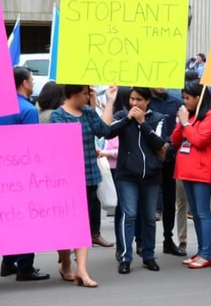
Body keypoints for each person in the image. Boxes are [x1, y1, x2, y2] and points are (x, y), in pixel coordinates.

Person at [50, 84, 118, 287]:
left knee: (83, 225)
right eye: (84, 93)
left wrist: (110, 101)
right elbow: (59, 146)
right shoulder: (58, 116)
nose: (88, 97)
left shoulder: (88, 113)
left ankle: (82, 270)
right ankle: (66, 264)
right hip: (66, 179)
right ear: (73, 94)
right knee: (66, 225)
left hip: (88, 176)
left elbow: (104, 130)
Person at [0, 67, 51, 282]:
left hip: (1, 170)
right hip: (23, 172)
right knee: (27, 219)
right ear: (24, 83)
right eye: (32, 80)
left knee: (10, 219)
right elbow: (31, 145)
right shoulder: (28, 110)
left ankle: (8, 261)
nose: (34, 83)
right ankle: (25, 266)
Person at [107, 87, 167, 274]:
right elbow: (108, 133)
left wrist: (143, 123)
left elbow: (159, 143)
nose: (134, 103)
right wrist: (127, 119)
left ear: (147, 100)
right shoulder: (122, 116)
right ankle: (125, 257)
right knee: (129, 214)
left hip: (151, 175)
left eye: (139, 99)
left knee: (149, 217)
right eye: (132, 99)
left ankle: (148, 255)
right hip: (126, 174)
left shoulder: (158, 118)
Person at [172, 76, 211, 269]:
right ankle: (201, 251)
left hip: (202, 171)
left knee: (203, 213)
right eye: (183, 98)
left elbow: (199, 140)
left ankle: (206, 254)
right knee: (197, 213)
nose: (185, 102)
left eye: (188, 98)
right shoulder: (190, 116)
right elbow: (176, 140)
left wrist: (186, 124)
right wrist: (181, 123)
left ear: (199, 97)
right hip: (186, 171)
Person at [149, 86, 187, 256]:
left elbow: (183, 127)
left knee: (170, 201)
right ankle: (143, 241)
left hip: (170, 157)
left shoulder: (176, 102)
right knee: (147, 201)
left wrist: (171, 145)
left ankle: (168, 239)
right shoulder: (145, 99)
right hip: (149, 158)